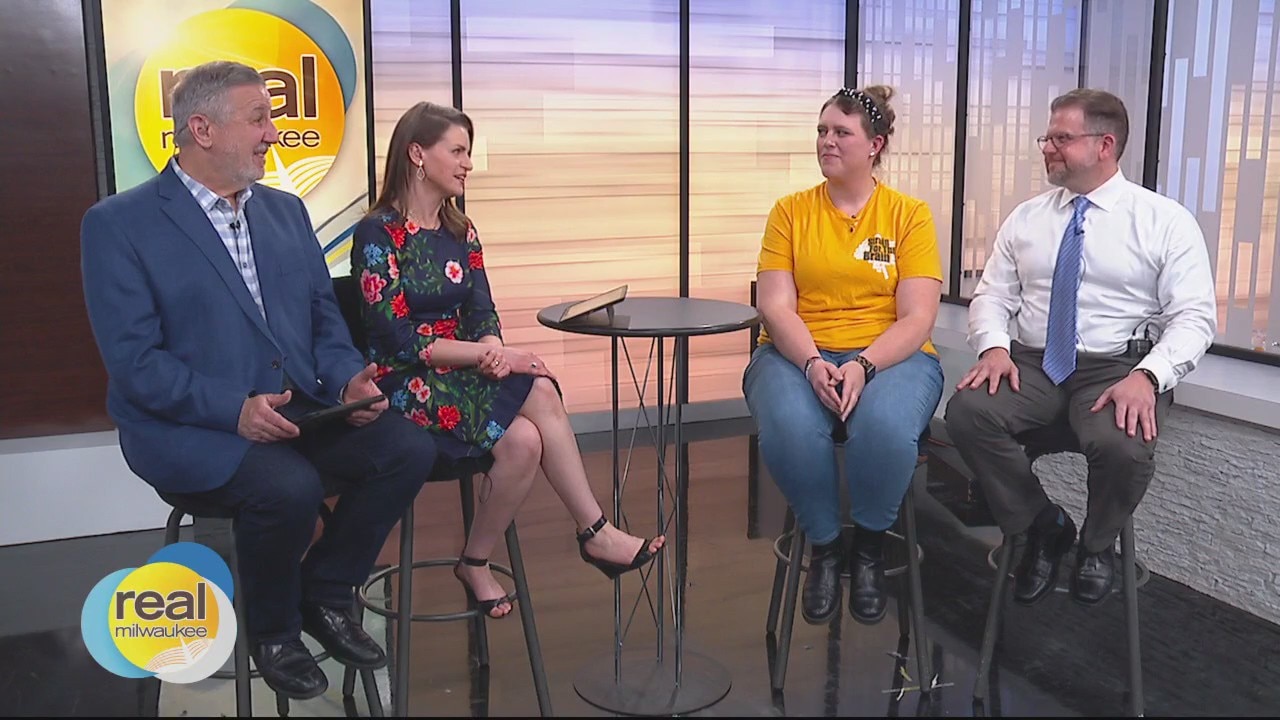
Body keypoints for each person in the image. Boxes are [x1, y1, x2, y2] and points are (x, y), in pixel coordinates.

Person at [80, 61, 438, 700]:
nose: (273, 133)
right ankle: (272, 631)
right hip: (191, 428)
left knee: (407, 448)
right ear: (202, 129)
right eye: (259, 119)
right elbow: (136, 363)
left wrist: (346, 381)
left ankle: (325, 591)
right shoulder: (118, 224)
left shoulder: (285, 211)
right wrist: (234, 410)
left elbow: (323, 319)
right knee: (288, 487)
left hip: (298, 409)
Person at [351, 101, 665, 619]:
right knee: (538, 388)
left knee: (524, 442)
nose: (468, 163)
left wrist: (493, 349)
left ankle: (474, 562)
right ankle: (595, 532)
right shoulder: (377, 233)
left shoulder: (461, 231)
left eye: (468, 152)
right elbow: (399, 340)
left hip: (461, 371)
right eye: (457, 151)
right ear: (417, 154)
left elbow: (481, 309)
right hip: (403, 382)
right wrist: (492, 355)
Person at [944, 88, 1216, 607]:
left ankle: (1095, 545)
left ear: (1104, 145)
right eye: (1047, 137)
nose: (1047, 147)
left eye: (1061, 138)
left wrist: (1149, 376)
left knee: (1124, 444)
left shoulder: (1164, 221)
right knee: (968, 411)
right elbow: (993, 295)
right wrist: (993, 348)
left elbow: (1194, 317)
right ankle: (1041, 525)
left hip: (1118, 368)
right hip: (1033, 364)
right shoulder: (1027, 218)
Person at [743, 86, 945, 626]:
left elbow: (918, 317)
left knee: (884, 427)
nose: (826, 141)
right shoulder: (790, 212)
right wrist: (812, 363)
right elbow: (775, 306)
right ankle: (826, 548)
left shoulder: (908, 215)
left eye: (841, 132)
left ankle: (870, 549)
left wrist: (863, 364)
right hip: (794, 353)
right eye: (822, 130)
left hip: (892, 356)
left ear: (875, 145)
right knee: (788, 427)